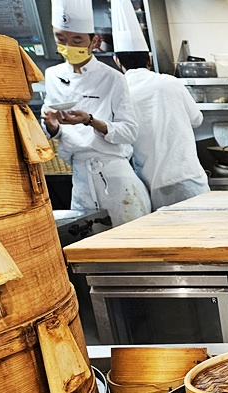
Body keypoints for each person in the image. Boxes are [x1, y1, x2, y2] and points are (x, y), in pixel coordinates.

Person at [39, 0, 151, 226]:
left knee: (130, 244)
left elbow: (129, 131)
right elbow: (54, 131)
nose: (68, 45)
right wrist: (51, 125)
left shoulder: (112, 78)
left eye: (77, 40)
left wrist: (91, 121)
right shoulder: (52, 75)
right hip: (80, 178)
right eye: (61, 39)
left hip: (116, 176)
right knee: (90, 247)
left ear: (95, 41)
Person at [111, 0, 209, 210]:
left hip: (151, 185)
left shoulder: (119, 95)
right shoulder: (170, 82)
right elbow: (197, 119)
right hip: (189, 178)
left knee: (169, 239)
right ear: (149, 58)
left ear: (116, 61)